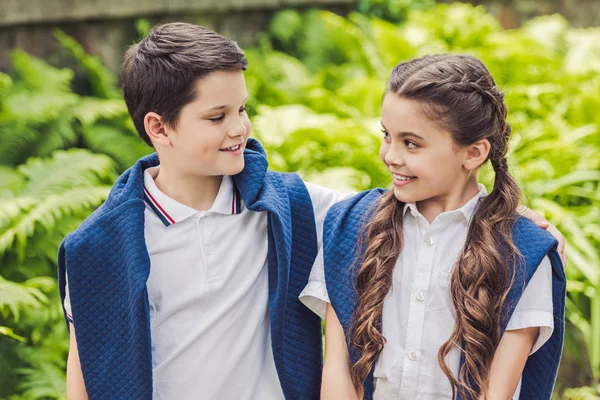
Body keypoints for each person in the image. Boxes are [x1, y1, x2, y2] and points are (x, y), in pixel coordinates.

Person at [60, 24, 565, 399]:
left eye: (242, 109)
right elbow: (87, 371)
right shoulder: (99, 247)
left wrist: (516, 219)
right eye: (217, 116)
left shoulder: (291, 206)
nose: (240, 129)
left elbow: (413, 201)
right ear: (159, 127)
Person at [300, 54, 566, 400]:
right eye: (387, 136)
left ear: (473, 153)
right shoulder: (350, 227)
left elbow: (494, 392)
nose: (391, 156)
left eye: (411, 143)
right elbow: (338, 370)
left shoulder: (523, 253)